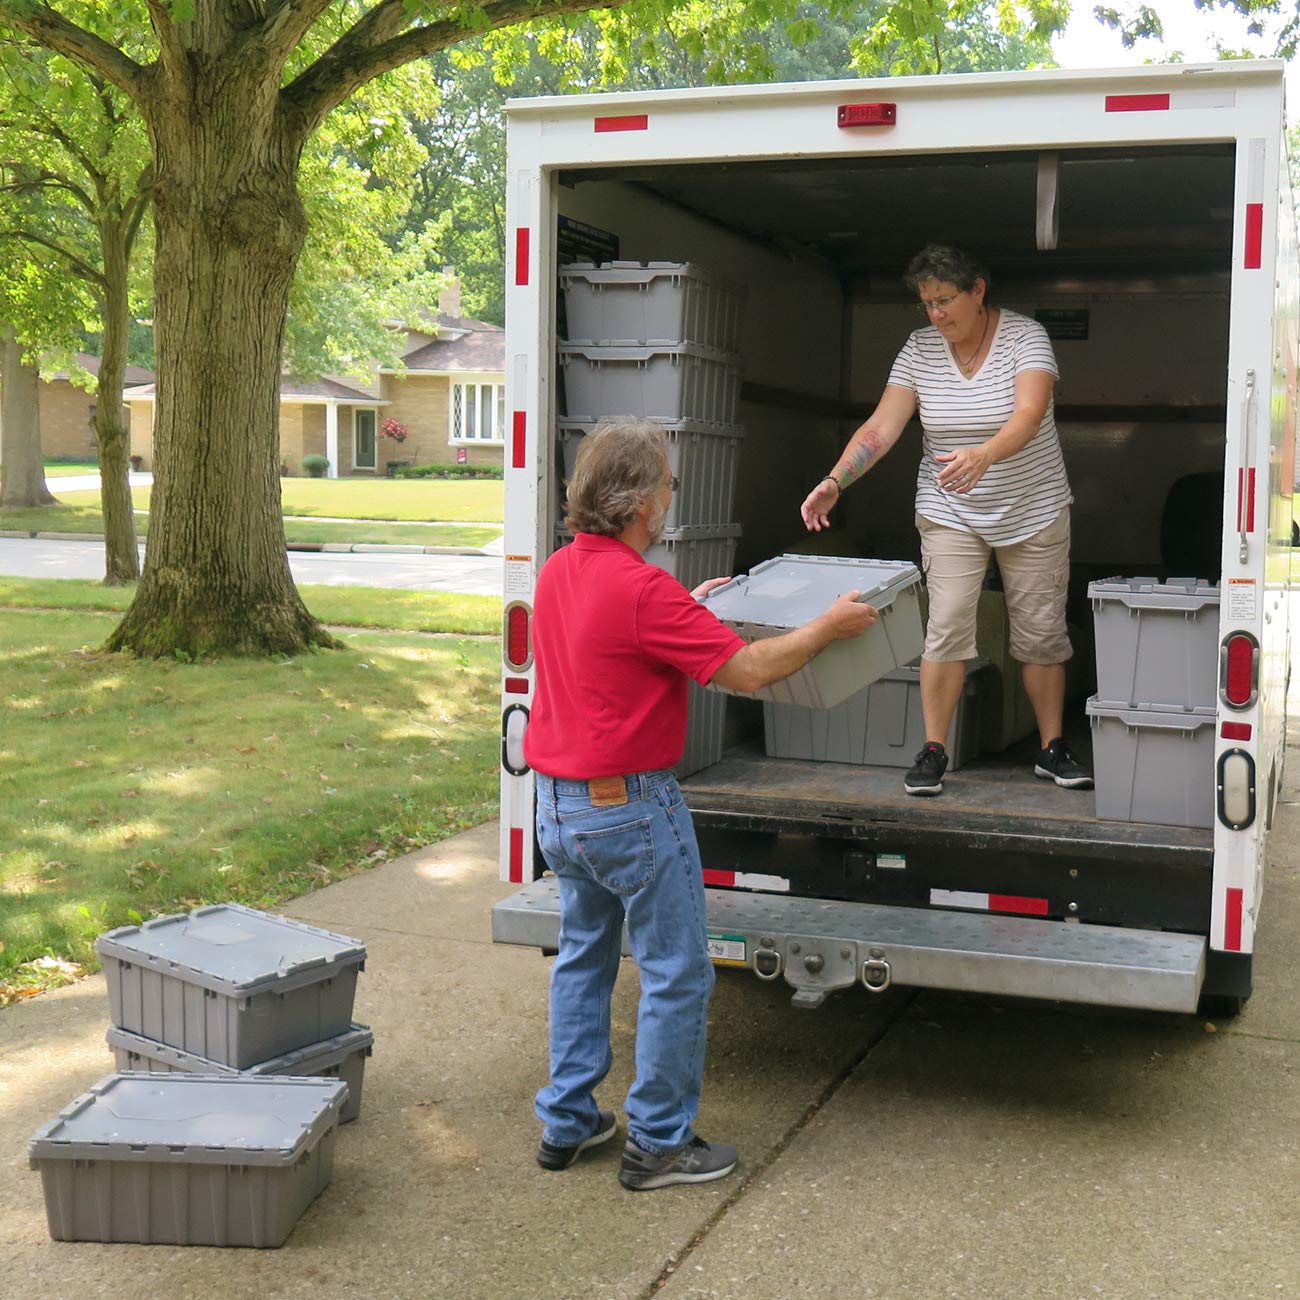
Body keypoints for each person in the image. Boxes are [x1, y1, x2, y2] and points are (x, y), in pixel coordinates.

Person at [527, 416, 876, 1190]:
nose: (671, 498)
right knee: (677, 972)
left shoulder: (561, 570)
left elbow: (612, 634)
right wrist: (827, 626)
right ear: (643, 502)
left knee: (584, 958)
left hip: (557, 806)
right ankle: (657, 1144)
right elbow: (749, 671)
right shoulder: (643, 589)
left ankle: (568, 1120)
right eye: (669, 486)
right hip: (631, 810)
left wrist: (691, 606)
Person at [800, 243, 1093, 798]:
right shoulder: (919, 350)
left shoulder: (1025, 338)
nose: (936, 314)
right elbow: (881, 429)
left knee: (1039, 631)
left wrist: (984, 453)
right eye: (927, 304)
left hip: (1032, 505)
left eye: (946, 300)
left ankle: (1052, 748)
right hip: (950, 506)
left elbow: (1030, 414)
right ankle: (935, 748)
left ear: (978, 290)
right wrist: (836, 480)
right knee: (948, 623)